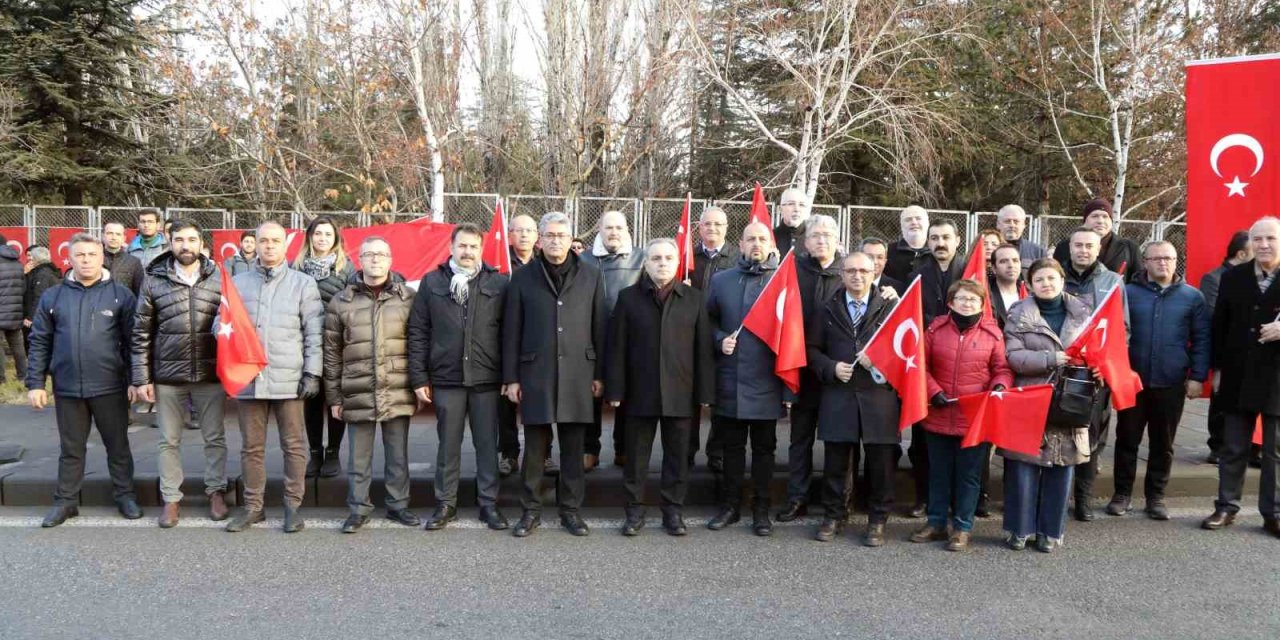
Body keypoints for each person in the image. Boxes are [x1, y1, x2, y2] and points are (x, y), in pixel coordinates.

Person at [503, 212, 606, 538]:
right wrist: (512, 378)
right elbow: (511, 330)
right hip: (536, 371)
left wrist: (600, 373)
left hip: (579, 371)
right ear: (539, 239)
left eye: (561, 235)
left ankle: (571, 511)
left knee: (573, 448)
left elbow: (599, 327)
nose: (555, 240)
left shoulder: (591, 274)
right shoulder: (521, 278)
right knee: (535, 448)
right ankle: (530, 510)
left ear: (570, 237)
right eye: (549, 235)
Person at [26, 233, 140, 527]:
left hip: (110, 386)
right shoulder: (54, 296)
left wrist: (135, 380)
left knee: (118, 446)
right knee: (71, 449)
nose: (86, 260)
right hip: (67, 387)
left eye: (91, 254)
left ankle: (125, 495)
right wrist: (36, 383)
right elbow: (39, 341)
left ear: (102, 257)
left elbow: (133, 343)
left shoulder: (120, 295)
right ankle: (65, 502)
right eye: (80, 255)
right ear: (70, 258)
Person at [606, 238, 715, 536]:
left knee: (678, 457)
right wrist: (615, 390)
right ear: (646, 263)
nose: (662, 263)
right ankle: (634, 512)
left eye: (668, 258)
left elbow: (703, 349)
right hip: (639, 393)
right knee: (636, 457)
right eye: (656, 258)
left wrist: (705, 393)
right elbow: (617, 348)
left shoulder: (694, 299)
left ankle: (673, 512)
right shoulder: (628, 298)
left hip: (681, 392)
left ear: (678, 263)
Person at [224, 221, 324, 533]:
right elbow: (221, 324)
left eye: (275, 241)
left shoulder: (303, 283)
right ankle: (253, 507)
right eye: (263, 240)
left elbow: (314, 333)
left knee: (294, 446)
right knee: (251, 447)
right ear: (254, 243)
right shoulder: (238, 283)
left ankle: (293, 507)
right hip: (249, 379)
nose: (269, 246)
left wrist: (312, 373)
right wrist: (224, 333)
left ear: (285, 245)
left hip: (288, 379)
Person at [408, 224, 509, 532]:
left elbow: (509, 333)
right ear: (451, 248)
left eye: (473, 247)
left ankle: (489, 504)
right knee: (448, 445)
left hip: (486, 378)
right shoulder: (432, 282)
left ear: (481, 250)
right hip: (446, 378)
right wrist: (418, 377)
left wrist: (509, 376)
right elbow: (418, 332)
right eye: (462, 246)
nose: (467, 252)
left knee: (486, 445)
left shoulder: (499, 282)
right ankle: (445, 504)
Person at [129, 220, 228, 527]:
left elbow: (234, 325)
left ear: (201, 243)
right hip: (168, 376)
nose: (186, 245)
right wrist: (141, 378)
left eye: (192, 239)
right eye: (179, 240)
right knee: (168, 441)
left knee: (215, 439)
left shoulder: (220, 277)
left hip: (210, 374)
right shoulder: (153, 279)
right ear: (169, 242)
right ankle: (171, 498)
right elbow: (141, 332)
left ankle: (216, 491)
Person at [326, 236, 422, 534]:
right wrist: (334, 397)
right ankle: (358, 508)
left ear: (391, 259)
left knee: (398, 455)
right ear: (360, 260)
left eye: (381, 255)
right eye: (369, 255)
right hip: (357, 389)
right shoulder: (340, 301)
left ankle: (398, 506)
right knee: (358, 457)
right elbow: (331, 353)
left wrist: (418, 385)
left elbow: (419, 345)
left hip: (398, 387)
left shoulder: (408, 298)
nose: (375, 260)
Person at [1108, 241, 1209, 520]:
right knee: (1126, 439)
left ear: (1177, 261)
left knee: (1162, 443)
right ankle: (1122, 494)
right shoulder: (1127, 293)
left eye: (1169, 258)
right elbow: (1116, 335)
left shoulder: (1192, 297)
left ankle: (1156, 497)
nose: (1163, 263)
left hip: (1171, 381)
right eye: (1157, 258)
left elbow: (1202, 340)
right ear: (1146, 261)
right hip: (1132, 381)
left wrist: (1198, 377)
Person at [806, 252, 902, 546]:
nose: (857, 276)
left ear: (875, 272)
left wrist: (882, 362)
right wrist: (830, 368)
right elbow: (811, 350)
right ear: (842, 274)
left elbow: (908, 349)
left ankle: (877, 520)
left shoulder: (891, 306)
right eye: (850, 271)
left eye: (863, 270)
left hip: (879, 398)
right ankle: (834, 515)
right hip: (839, 395)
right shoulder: (827, 308)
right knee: (836, 463)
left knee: (880, 464)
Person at [912, 279, 1012, 551]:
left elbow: (1001, 368)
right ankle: (935, 523)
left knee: (969, 476)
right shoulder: (935, 329)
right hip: (938, 414)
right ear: (951, 302)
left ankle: (962, 527)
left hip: (974, 418)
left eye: (973, 299)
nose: (967, 303)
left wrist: (999, 387)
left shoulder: (993, 335)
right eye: (962, 298)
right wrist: (933, 392)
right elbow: (921, 365)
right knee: (938, 473)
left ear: (982, 304)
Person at [1002, 257, 1094, 552]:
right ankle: (1020, 529)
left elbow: (1099, 350)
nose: (1046, 284)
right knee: (1022, 466)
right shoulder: (1018, 314)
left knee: (1062, 464)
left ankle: (1051, 531)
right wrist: (1049, 359)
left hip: (1072, 398)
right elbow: (1012, 356)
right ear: (1029, 284)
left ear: (1062, 280)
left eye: (1051, 278)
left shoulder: (1085, 313)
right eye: (1039, 280)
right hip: (1030, 395)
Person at [705, 221, 787, 536]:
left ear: (771, 245)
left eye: (762, 239)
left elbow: (794, 334)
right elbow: (707, 322)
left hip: (768, 381)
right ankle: (730, 507)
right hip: (731, 379)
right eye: (750, 239)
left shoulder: (782, 282)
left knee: (765, 451)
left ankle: (761, 510)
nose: (756, 244)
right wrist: (719, 339)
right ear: (740, 245)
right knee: (732, 449)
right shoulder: (721, 280)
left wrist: (789, 391)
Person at [1203, 216, 1280, 539]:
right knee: (1232, 446)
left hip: (1277, 378)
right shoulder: (1234, 277)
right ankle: (1226, 506)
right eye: (1258, 239)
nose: (1263, 245)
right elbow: (1218, 327)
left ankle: (1273, 513)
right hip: (1237, 373)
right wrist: (1217, 371)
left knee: (1275, 450)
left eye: (1271, 239)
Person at [778, 215, 843, 522]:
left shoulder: (850, 272)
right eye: (816, 235)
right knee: (800, 440)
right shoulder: (791, 271)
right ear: (805, 241)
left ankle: (838, 501)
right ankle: (797, 497)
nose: (822, 239)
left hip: (837, 372)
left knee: (837, 441)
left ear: (838, 239)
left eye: (828, 234)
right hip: (801, 368)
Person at [1060, 226, 1127, 522]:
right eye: (1078, 245)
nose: (1083, 250)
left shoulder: (1113, 282)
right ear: (1070, 247)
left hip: (1094, 374)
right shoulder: (1055, 276)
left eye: (1089, 245)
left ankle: (1084, 498)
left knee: (1089, 437)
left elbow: (1121, 329)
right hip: (1059, 370)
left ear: (1099, 249)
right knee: (1057, 434)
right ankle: (1057, 496)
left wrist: (1106, 366)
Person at [903, 217, 965, 517]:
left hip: (964, 365)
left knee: (961, 439)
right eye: (934, 238)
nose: (940, 243)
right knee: (922, 440)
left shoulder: (971, 271)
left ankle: (959, 500)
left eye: (945, 237)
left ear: (957, 240)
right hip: (925, 365)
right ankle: (924, 497)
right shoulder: (917, 273)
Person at [581, 210, 646, 470]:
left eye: (619, 227)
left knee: (625, 395)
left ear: (627, 229)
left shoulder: (641, 258)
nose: (614, 232)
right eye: (609, 227)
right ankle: (589, 449)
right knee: (591, 394)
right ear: (599, 228)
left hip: (628, 339)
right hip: (591, 336)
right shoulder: (583, 259)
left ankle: (623, 448)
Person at [293, 215, 356, 479]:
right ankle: (315, 453)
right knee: (311, 400)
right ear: (309, 237)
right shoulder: (294, 268)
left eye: (328, 234)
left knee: (335, 399)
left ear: (336, 239)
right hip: (304, 346)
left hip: (335, 345)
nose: (322, 239)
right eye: (318, 234)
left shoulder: (347, 270)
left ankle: (333, 452)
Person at [688, 205, 737, 470]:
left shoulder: (736, 258)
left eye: (718, 224)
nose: (713, 229)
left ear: (726, 228)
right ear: (699, 227)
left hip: (722, 335)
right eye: (708, 224)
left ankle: (716, 452)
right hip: (690, 336)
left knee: (720, 397)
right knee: (690, 396)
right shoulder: (687, 257)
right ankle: (687, 450)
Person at [1199, 230, 1251, 464]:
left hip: (1251, 350)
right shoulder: (1214, 278)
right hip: (1226, 349)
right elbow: (1213, 315)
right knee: (1221, 399)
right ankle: (1218, 446)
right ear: (1241, 253)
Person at [498, 213, 541, 477]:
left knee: (539, 404)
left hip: (536, 341)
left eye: (529, 230)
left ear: (537, 236)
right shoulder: (499, 264)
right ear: (509, 234)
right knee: (505, 403)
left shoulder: (544, 264)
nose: (524, 235)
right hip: (506, 340)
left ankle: (543, 455)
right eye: (518, 230)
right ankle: (509, 453)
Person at [1053, 198, 1141, 283]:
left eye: (1105, 216)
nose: (1100, 221)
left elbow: (1137, 283)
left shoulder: (1129, 248)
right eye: (1095, 216)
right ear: (1085, 220)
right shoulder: (1064, 247)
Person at [0, 233, 26, 381]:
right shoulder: (17, 262)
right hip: (15, 310)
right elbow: (23, 287)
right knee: (17, 345)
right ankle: (23, 375)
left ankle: (1, 378)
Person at [22, 246, 60, 346]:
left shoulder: (42, 274)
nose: (30, 259)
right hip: (45, 316)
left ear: (36, 259)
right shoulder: (45, 271)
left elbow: (39, 297)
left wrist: (30, 317)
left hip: (39, 318)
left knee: (34, 345)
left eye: (32, 257)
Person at [884, 205, 930, 283]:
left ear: (928, 223)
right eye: (908, 219)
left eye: (918, 218)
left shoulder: (937, 251)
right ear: (902, 226)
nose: (914, 222)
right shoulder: (887, 252)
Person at [996, 204, 1047, 274]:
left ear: (1023, 225)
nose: (1012, 225)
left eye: (1016, 221)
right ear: (998, 224)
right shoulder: (989, 249)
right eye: (1007, 221)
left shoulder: (1038, 252)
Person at [102, 222, 144, 294]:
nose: (113, 237)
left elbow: (139, 292)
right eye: (110, 233)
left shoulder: (134, 262)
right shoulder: (93, 260)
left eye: (118, 234)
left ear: (124, 238)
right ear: (103, 236)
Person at [989, 244, 1025, 328]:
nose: (1011, 265)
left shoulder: (1029, 294)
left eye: (1015, 260)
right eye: (1004, 261)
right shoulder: (985, 294)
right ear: (994, 268)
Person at [773, 187, 811, 256]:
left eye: (801, 205)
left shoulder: (815, 237)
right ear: (780, 209)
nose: (796, 209)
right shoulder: (770, 238)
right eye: (791, 204)